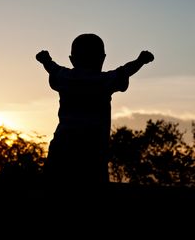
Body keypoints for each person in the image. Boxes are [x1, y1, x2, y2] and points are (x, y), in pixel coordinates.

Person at [36, 33, 154, 183]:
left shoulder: (65, 77)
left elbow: (52, 68)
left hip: (62, 147)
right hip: (94, 150)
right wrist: (140, 61)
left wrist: (46, 60)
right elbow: (126, 70)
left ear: (72, 60)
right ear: (102, 58)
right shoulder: (104, 81)